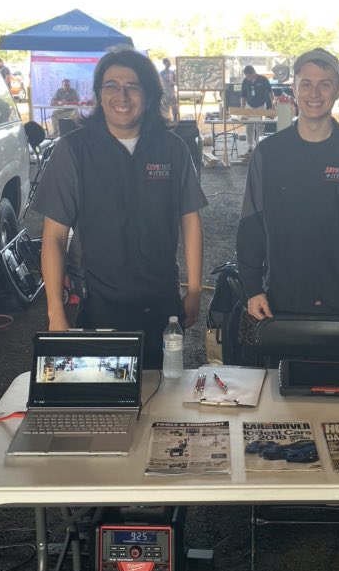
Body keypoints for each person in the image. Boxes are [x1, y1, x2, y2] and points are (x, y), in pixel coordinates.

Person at [33, 46, 208, 368]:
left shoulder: (171, 148)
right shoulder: (74, 151)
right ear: (99, 95)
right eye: (111, 86)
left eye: (133, 87)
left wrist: (194, 289)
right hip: (101, 302)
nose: (122, 96)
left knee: (163, 395)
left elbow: (190, 218)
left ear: (150, 95)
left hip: (162, 302)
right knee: (106, 397)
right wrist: (56, 314)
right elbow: (54, 236)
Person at [236, 48, 339, 324]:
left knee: (338, 369)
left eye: (324, 84)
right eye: (306, 84)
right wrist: (253, 287)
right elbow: (250, 223)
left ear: (338, 89)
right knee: (278, 370)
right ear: (293, 88)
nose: (314, 93)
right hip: (276, 299)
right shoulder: (268, 153)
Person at [240, 65, 274, 160]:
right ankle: (250, 147)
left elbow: (271, 93)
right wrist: (242, 109)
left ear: (253, 73)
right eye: (245, 76)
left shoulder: (263, 79)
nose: (247, 78)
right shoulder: (245, 81)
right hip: (249, 106)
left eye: (248, 76)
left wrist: (273, 105)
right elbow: (243, 95)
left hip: (261, 105)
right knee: (249, 127)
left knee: (260, 126)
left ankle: (259, 147)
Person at [160, 58, 179, 123]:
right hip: (165, 93)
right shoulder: (161, 73)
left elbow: (176, 81)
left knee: (175, 107)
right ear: (164, 63)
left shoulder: (172, 72)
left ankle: (175, 120)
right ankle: (167, 121)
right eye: (168, 62)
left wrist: (173, 83)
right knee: (166, 107)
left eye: (169, 62)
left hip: (172, 92)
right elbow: (160, 83)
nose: (169, 64)